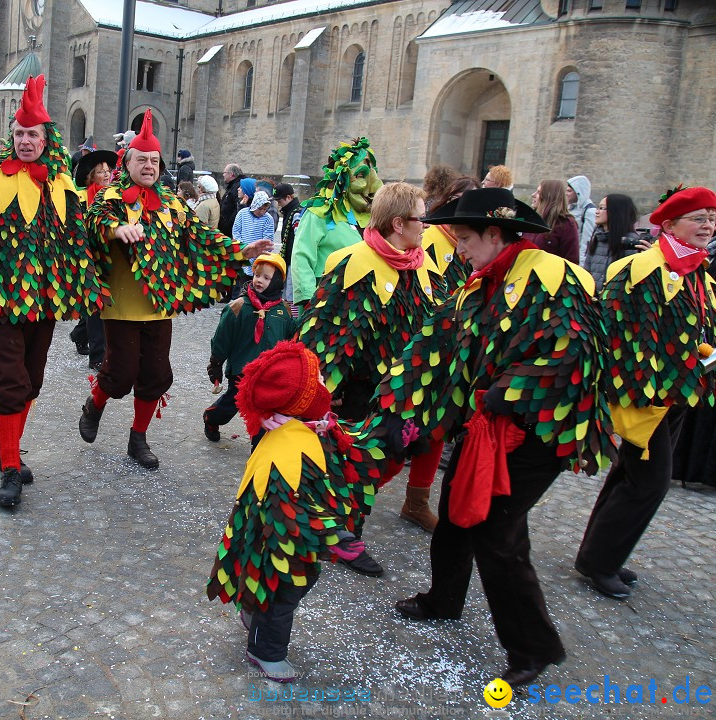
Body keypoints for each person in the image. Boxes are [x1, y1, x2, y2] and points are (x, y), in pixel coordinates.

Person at [382, 187, 614, 686]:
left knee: (496, 532)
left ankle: (534, 647)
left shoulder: (556, 277)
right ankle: (444, 599)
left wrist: (502, 392)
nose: (459, 250)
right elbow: (449, 340)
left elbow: (573, 351)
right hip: (486, 426)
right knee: (456, 513)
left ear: (495, 233)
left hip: (539, 433)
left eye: (465, 239)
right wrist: (399, 386)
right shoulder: (481, 281)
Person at [0, 75, 106, 508]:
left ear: (45, 139)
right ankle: (12, 467)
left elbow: (78, 238)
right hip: (1, 302)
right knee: (10, 379)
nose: (25, 140)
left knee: (31, 377)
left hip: (45, 301)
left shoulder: (62, 186)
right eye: (19, 133)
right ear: (11, 137)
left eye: (32, 134)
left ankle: (7, 450)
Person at [78, 109, 259, 470]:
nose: (148, 165)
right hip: (121, 307)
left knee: (157, 376)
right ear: (126, 162)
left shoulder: (173, 204)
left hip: (160, 306)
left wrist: (242, 251)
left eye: (154, 160)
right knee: (120, 375)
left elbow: (202, 237)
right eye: (141, 159)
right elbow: (95, 222)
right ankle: (94, 404)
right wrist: (116, 230)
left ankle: (138, 438)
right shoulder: (110, 198)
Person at [206, 341, 381, 683]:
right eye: (317, 382)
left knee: (290, 583)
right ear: (299, 400)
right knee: (284, 588)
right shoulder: (282, 454)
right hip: (279, 543)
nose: (325, 386)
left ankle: (254, 610)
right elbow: (291, 506)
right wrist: (335, 535)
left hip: (286, 539)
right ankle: (264, 651)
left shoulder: (299, 426)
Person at [575, 186, 716, 600]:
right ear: (669, 225)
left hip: (674, 394)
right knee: (650, 484)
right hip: (644, 398)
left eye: (711, 218)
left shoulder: (698, 273)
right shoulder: (638, 268)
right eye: (698, 218)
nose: (708, 225)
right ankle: (598, 562)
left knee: (629, 476)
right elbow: (615, 332)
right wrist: (639, 392)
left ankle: (600, 554)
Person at [299, 182, 448, 574]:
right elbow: (326, 336)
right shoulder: (354, 263)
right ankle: (345, 538)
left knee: (395, 455)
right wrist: (318, 393)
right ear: (398, 223)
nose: (426, 226)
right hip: (360, 390)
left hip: (404, 389)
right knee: (358, 463)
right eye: (421, 217)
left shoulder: (423, 265)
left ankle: (342, 517)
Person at [204, 254, 296, 442]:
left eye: (266, 277)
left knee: (263, 408)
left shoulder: (283, 310)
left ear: (277, 282)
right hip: (242, 370)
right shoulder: (238, 306)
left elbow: (291, 336)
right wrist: (216, 363)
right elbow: (223, 337)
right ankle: (212, 417)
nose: (259, 280)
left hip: (269, 372)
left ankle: (259, 445)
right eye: (257, 275)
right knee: (233, 403)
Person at [290, 137, 382, 307]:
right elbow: (301, 257)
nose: (372, 186)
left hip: (362, 303)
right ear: (342, 177)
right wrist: (310, 300)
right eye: (361, 176)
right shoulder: (319, 212)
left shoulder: (373, 218)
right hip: (325, 302)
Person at [70, 148, 119, 369]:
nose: (107, 175)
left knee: (98, 306)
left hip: (109, 259)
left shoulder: (114, 198)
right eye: (101, 172)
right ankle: (98, 356)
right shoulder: (80, 198)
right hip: (87, 260)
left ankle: (79, 334)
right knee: (96, 308)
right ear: (92, 176)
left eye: (108, 171)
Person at [421, 175, 479, 291]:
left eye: (470, 201)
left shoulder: (484, 242)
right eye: (455, 199)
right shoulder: (427, 239)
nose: (461, 206)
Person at [582, 193, 648, 292]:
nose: (597, 212)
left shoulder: (630, 243)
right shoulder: (597, 237)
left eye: (602, 208)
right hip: (593, 299)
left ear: (616, 212)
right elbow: (586, 271)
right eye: (598, 207)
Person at [524, 179, 579, 263]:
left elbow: (571, 261)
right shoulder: (532, 220)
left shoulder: (566, 224)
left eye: (538, 192)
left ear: (548, 196)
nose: (533, 195)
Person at [567, 175, 598, 266]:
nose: (566, 193)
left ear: (578, 192)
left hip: (578, 260)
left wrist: (581, 265)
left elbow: (587, 241)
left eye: (569, 191)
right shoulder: (571, 208)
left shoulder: (589, 211)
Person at [218, 163, 246, 238]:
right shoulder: (232, 185)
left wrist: (227, 225)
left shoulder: (238, 186)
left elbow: (237, 208)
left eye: (225, 173)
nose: (223, 175)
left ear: (231, 174)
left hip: (230, 230)